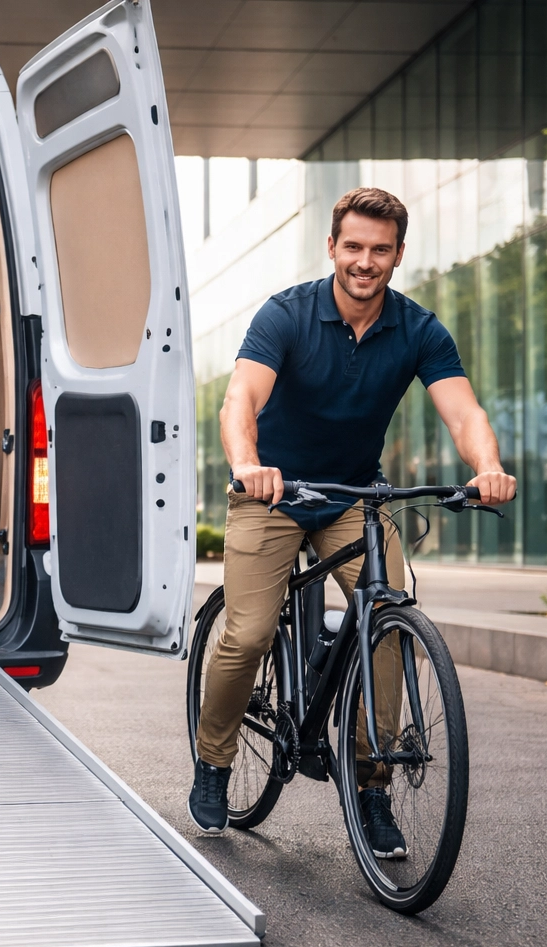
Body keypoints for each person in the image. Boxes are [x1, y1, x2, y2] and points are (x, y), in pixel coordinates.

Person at [188, 187, 517, 856]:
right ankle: (214, 760)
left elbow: (463, 413)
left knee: (389, 622)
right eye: (354, 246)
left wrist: (487, 466)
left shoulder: (418, 328)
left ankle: (370, 787)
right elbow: (240, 400)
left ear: (397, 256)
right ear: (333, 247)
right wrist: (249, 463)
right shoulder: (287, 315)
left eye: (380, 249)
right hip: (273, 492)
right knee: (248, 632)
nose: (365, 261)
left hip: (353, 497)